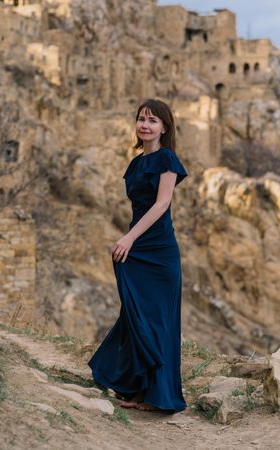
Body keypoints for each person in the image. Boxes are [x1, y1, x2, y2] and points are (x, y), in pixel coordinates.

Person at [88, 98, 188, 413]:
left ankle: (159, 395)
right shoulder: (135, 163)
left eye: (153, 120)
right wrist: (130, 238)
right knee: (135, 314)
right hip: (138, 242)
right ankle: (136, 387)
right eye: (141, 119)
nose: (145, 125)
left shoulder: (167, 159)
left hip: (158, 250)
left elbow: (161, 205)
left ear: (164, 128)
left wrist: (129, 237)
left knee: (157, 319)